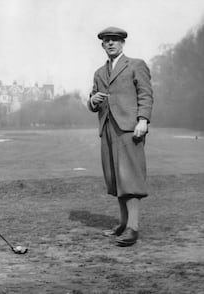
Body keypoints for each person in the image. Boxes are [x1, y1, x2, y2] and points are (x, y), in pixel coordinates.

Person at [88, 27, 153, 247]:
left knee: (130, 178)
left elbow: (145, 94)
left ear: (122, 43)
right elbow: (92, 102)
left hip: (129, 128)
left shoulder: (136, 65)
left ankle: (133, 228)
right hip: (107, 128)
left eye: (115, 40)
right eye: (107, 41)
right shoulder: (99, 72)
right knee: (116, 178)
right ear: (102, 45)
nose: (111, 44)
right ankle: (123, 223)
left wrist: (143, 120)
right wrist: (92, 101)